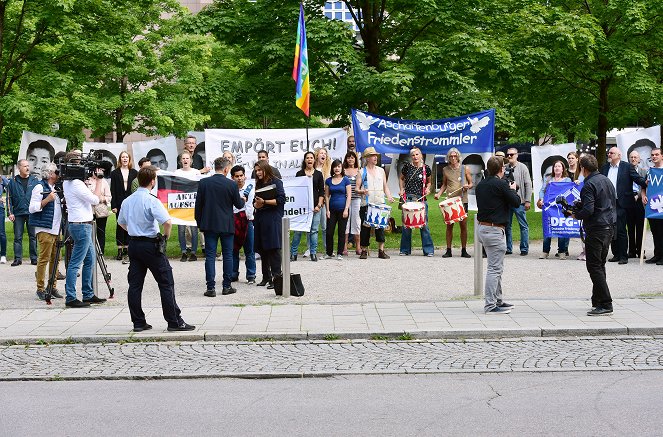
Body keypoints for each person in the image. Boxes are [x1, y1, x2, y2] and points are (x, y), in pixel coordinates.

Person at [118, 166, 195, 332]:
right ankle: (174, 321)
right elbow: (167, 222)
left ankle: (138, 321)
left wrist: (133, 230)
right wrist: (165, 237)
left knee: (135, 285)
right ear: (153, 181)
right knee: (166, 282)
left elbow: (121, 222)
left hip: (134, 244)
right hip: (150, 244)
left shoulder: (128, 200)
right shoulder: (151, 200)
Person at [572, 154, 617, 316]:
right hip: (609, 226)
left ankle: (606, 303)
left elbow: (588, 210)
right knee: (600, 264)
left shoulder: (589, 184)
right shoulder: (606, 180)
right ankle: (597, 300)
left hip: (597, 228)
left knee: (594, 266)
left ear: (583, 169)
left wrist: (575, 214)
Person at [476, 156, 521, 314]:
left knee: (497, 267)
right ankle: (490, 305)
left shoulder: (481, 184)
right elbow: (516, 202)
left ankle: (498, 300)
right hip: (494, 230)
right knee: (494, 269)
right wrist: (513, 189)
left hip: (483, 228)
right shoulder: (501, 184)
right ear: (502, 169)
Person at [62, 152, 107, 308]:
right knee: (75, 263)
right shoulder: (75, 184)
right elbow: (95, 200)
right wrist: (99, 181)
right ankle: (71, 297)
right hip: (81, 226)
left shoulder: (68, 182)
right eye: (80, 163)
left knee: (89, 260)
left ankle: (88, 294)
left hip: (80, 224)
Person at [195, 157, 245, 297]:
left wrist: (200, 223)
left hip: (209, 224)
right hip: (226, 224)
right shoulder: (231, 184)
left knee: (210, 256)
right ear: (226, 169)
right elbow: (238, 205)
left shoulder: (204, 183)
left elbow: (198, 206)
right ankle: (226, 286)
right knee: (228, 255)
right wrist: (243, 199)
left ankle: (210, 288)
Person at [600, 147, 647, 264]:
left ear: (619, 155)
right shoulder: (605, 168)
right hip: (608, 203)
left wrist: (647, 181)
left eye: (612, 153)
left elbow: (637, 179)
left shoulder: (627, 166)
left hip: (622, 203)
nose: (609, 154)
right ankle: (615, 254)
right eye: (608, 153)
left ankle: (623, 256)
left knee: (620, 229)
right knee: (611, 229)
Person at [28, 163, 63, 300]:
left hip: (56, 228)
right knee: (44, 259)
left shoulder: (57, 188)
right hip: (45, 229)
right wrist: (46, 200)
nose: (59, 174)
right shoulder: (39, 187)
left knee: (56, 259)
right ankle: (40, 288)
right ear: (49, 174)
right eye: (56, 171)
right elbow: (32, 208)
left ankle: (52, 287)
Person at [434, 147, 473, 258]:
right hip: (450, 200)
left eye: (455, 156)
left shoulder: (465, 168)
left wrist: (467, 186)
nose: (453, 158)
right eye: (451, 156)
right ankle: (449, 250)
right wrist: (439, 194)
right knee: (449, 226)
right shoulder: (445, 169)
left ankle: (464, 250)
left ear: (458, 157)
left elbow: (471, 183)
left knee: (463, 226)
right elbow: (444, 185)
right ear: (448, 157)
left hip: (462, 200)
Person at [357, 147, 394, 259]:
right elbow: (356, 189)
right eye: (372, 156)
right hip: (366, 203)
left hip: (380, 203)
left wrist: (389, 196)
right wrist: (363, 191)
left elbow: (385, 186)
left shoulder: (381, 171)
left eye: (375, 155)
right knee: (365, 227)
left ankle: (381, 250)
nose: (375, 157)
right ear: (367, 158)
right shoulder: (361, 172)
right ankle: (364, 250)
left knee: (380, 226)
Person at [253, 160, 286, 288]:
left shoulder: (276, 182)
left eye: (259, 170)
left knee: (273, 248)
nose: (258, 173)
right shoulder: (259, 184)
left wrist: (265, 201)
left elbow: (281, 199)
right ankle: (266, 277)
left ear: (266, 169)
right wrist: (256, 204)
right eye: (256, 171)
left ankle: (276, 278)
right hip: (261, 218)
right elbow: (255, 202)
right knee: (262, 249)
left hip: (273, 218)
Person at [399, 147, 434, 257]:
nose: (415, 157)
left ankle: (428, 250)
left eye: (417, 154)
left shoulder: (426, 168)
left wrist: (428, 188)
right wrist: (401, 189)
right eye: (413, 155)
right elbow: (401, 178)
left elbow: (429, 182)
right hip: (408, 198)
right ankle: (405, 250)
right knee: (406, 225)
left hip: (421, 199)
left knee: (424, 225)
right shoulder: (407, 167)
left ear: (421, 156)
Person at [290, 151, 324, 262]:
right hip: (302, 209)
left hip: (315, 207)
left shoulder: (318, 174)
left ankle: (313, 253)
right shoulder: (299, 174)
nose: (309, 159)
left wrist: (319, 205)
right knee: (298, 231)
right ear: (305, 160)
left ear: (314, 160)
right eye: (307, 158)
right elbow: (296, 191)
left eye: (311, 158)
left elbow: (321, 192)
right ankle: (293, 253)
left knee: (314, 230)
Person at [6, 159, 39, 266]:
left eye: (28, 166)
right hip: (18, 213)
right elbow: (8, 198)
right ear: (19, 168)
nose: (27, 168)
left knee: (33, 236)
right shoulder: (13, 181)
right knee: (17, 237)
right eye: (24, 166)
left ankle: (34, 258)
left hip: (32, 213)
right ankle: (17, 259)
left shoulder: (34, 181)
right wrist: (10, 213)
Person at [536, 160, 571, 259]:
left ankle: (562, 251)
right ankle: (545, 251)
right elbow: (542, 191)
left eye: (559, 166)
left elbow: (571, 190)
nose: (557, 168)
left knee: (561, 228)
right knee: (548, 228)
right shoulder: (548, 179)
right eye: (555, 166)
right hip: (550, 208)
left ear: (563, 168)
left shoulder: (567, 180)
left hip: (561, 208)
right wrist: (541, 198)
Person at [503, 147, 532, 256]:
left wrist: (528, 200)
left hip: (520, 201)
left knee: (523, 225)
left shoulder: (523, 167)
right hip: (507, 201)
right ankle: (508, 248)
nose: (509, 156)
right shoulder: (504, 168)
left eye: (512, 154)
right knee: (507, 225)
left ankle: (524, 248)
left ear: (517, 155)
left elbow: (528, 184)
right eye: (508, 155)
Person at [110, 151, 138, 264]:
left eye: (126, 157)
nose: (125, 159)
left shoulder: (134, 172)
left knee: (129, 224)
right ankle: (120, 249)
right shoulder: (115, 173)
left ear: (129, 159)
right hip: (119, 202)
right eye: (123, 157)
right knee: (120, 225)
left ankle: (127, 248)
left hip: (131, 202)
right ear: (120, 159)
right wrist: (114, 205)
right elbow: (113, 189)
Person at [230, 165, 256, 283]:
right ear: (232, 177)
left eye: (241, 176)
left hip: (247, 220)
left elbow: (249, 207)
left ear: (245, 176)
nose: (239, 178)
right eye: (237, 176)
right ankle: (233, 273)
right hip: (233, 220)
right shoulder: (230, 189)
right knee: (233, 249)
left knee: (249, 249)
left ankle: (251, 275)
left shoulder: (250, 188)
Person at [174, 151, 201, 262]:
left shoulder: (196, 172)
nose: (185, 160)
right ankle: (184, 252)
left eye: (187, 158)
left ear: (191, 160)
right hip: (181, 206)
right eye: (183, 158)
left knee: (194, 230)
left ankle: (193, 252)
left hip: (193, 205)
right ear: (181, 161)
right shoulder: (176, 172)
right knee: (181, 230)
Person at [325, 159, 351, 260]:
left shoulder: (346, 180)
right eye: (335, 166)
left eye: (339, 166)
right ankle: (329, 253)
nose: (337, 168)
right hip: (331, 210)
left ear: (342, 168)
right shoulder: (328, 180)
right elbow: (326, 196)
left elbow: (349, 196)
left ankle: (340, 253)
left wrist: (346, 209)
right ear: (332, 168)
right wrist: (327, 210)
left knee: (341, 232)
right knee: (329, 232)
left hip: (342, 210)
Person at [643, 148, 663, 266]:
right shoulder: (650, 171)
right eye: (652, 155)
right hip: (653, 205)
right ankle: (657, 254)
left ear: (662, 156)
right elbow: (644, 187)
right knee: (655, 231)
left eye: (657, 154)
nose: (654, 156)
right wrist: (644, 195)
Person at [86, 167, 112, 256]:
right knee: (89, 232)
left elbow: (109, 197)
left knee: (101, 231)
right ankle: (89, 253)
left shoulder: (104, 182)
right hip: (89, 210)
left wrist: (103, 198)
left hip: (101, 210)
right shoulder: (87, 181)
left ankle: (100, 253)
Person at [628, 150, 648, 259]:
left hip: (640, 201)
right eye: (631, 157)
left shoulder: (644, 172)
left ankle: (640, 250)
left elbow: (645, 187)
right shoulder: (626, 171)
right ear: (629, 159)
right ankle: (631, 251)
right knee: (630, 227)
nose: (633, 159)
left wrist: (639, 195)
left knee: (640, 227)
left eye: (635, 157)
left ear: (639, 159)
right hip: (629, 201)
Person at [312, 147, 331, 255]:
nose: (323, 155)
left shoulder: (328, 169)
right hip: (314, 200)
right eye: (321, 153)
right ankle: (310, 249)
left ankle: (327, 248)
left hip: (325, 200)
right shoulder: (313, 168)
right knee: (312, 227)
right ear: (317, 155)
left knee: (324, 226)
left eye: (325, 153)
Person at [342, 151, 361, 256]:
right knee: (346, 222)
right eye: (348, 158)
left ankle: (358, 246)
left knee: (356, 222)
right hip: (345, 199)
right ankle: (344, 246)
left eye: (352, 158)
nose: (350, 159)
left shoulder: (359, 171)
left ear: (355, 159)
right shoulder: (343, 171)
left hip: (357, 199)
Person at [0, 173, 9, 264]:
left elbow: (11, 188)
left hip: (0, 209)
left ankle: (3, 255)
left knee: (1, 232)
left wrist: (5, 198)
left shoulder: (2, 179)